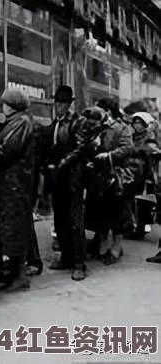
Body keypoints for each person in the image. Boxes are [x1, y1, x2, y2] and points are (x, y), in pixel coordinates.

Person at [0, 89, 35, 291]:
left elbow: (7, 150)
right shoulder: (18, 122)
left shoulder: (20, 123)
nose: (2, 106)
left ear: (12, 105)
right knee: (11, 227)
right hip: (13, 181)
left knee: (15, 227)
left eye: (5, 103)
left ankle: (19, 275)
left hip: (15, 182)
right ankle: (14, 272)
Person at [85, 97, 134, 265]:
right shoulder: (97, 128)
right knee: (101, 213)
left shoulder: (122, 128)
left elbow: (127, 149)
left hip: (116, 176)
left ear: (107, 111)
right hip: (98, 177)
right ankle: (103, 246)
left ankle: (116, 248)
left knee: (117, 214)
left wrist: (109, 156)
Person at [47, 86, 88, 281]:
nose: (58, 107)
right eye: (57, 103)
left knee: (74, 221)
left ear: (69, 104)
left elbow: (81, 149)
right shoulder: (56, 123)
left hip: (72, 176)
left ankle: (79, 262)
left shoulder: (78, 122)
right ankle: (66, 256)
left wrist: (61, 164)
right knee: (60, 219)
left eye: (62, 103)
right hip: (58, 176)